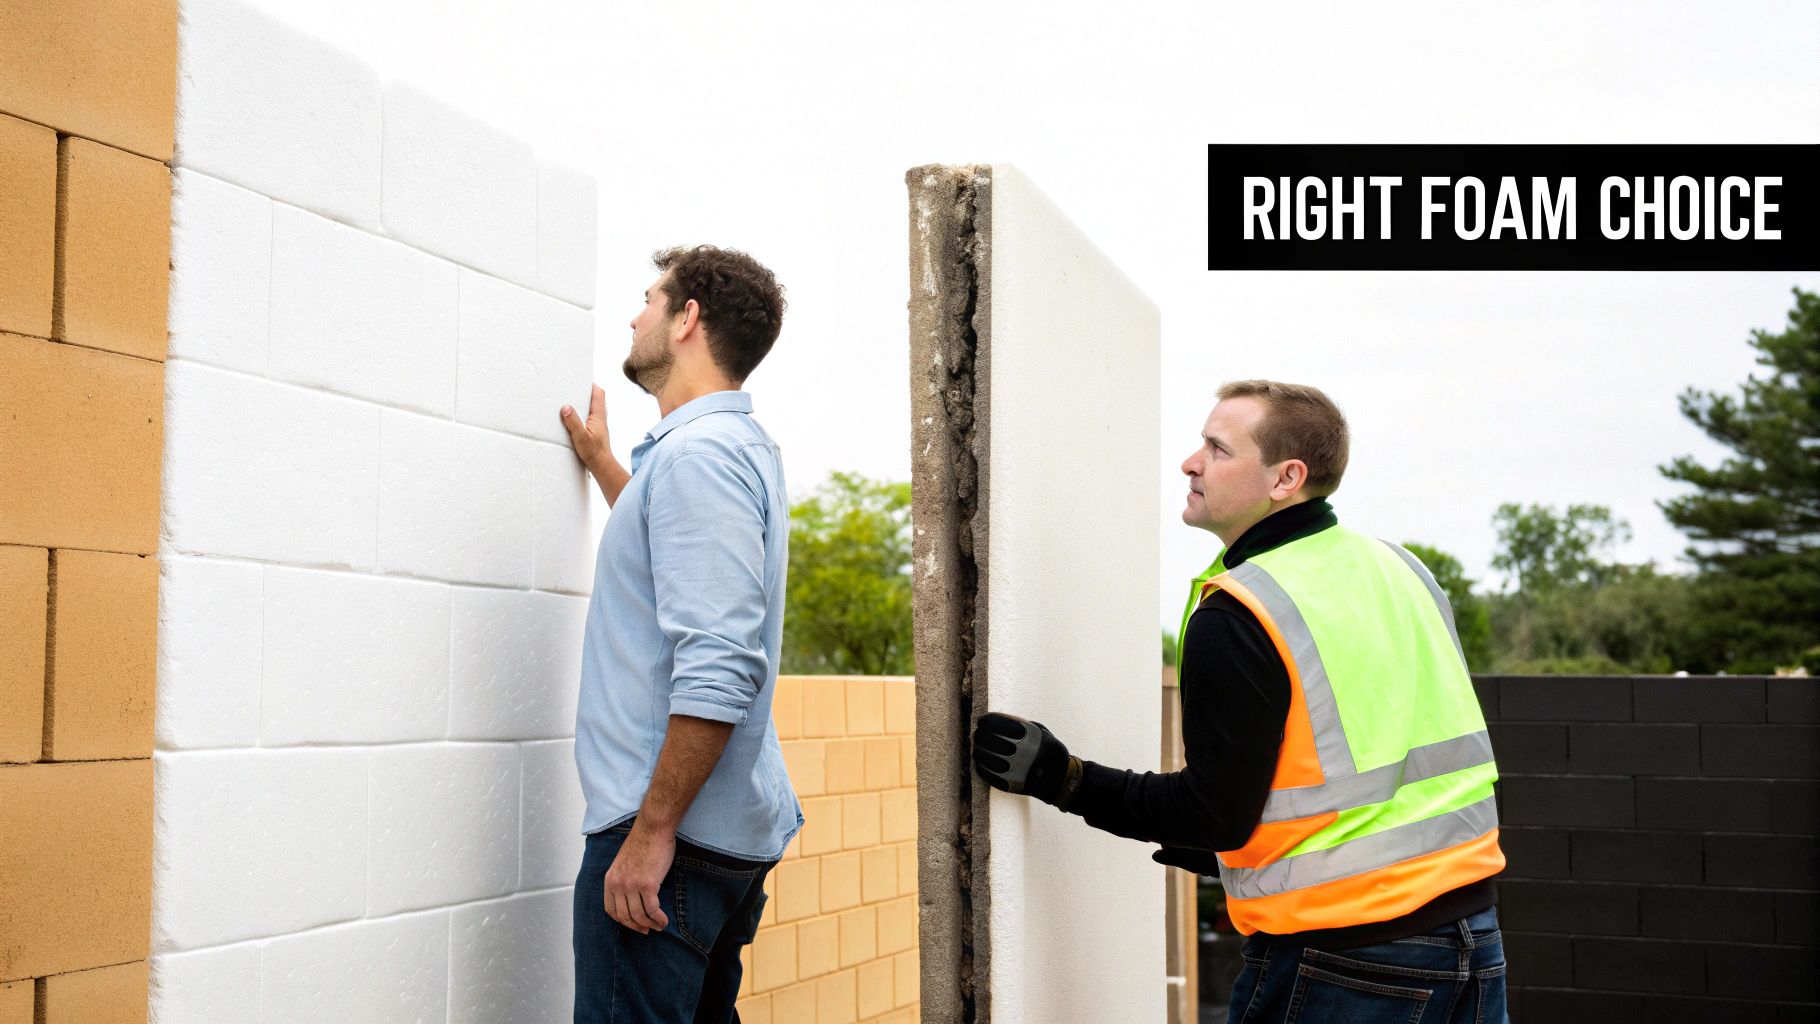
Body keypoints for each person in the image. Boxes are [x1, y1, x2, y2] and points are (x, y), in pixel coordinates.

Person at [972, 380, 1509, 1023]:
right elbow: (1374, 753)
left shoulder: (1242, 609)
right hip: (1472, 941)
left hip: (1345, 965)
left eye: (1218, 449)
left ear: (1286, 478)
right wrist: (1247, 845)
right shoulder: (1401, 570)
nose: (1190, 462)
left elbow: (1212, 812)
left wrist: (1065, 778)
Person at [558, 245, 799, 1023]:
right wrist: (604, 470)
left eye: (650, 300)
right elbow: (680, 559)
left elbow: (721, 669)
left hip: (670, 839)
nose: (635, 316)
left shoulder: (700, 459)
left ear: (687, 318)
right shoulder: (721, 453)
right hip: (710, 835)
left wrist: (652, 835)